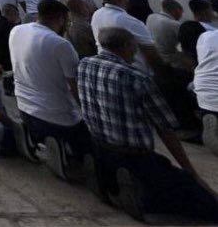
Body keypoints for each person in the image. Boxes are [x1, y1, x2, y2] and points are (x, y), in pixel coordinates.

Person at [78, 27, 218, 222]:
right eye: (135, 47)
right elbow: (166, 129)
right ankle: (141, 196)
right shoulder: (136, 78)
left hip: (101, 146)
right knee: (202, 201)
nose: (136, 52)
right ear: (127, 46)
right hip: (135, 155)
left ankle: (113, 185)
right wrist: (190, 171)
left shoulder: (85, 64)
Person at [9, 0, 90, 178]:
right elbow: (74, 86)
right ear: (61, 19)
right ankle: (64, 154)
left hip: (23, 107)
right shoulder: (60, 44)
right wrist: (88, 113)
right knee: (91, 145)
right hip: (56, 117)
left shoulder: (17, 30)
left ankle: (35, 138)